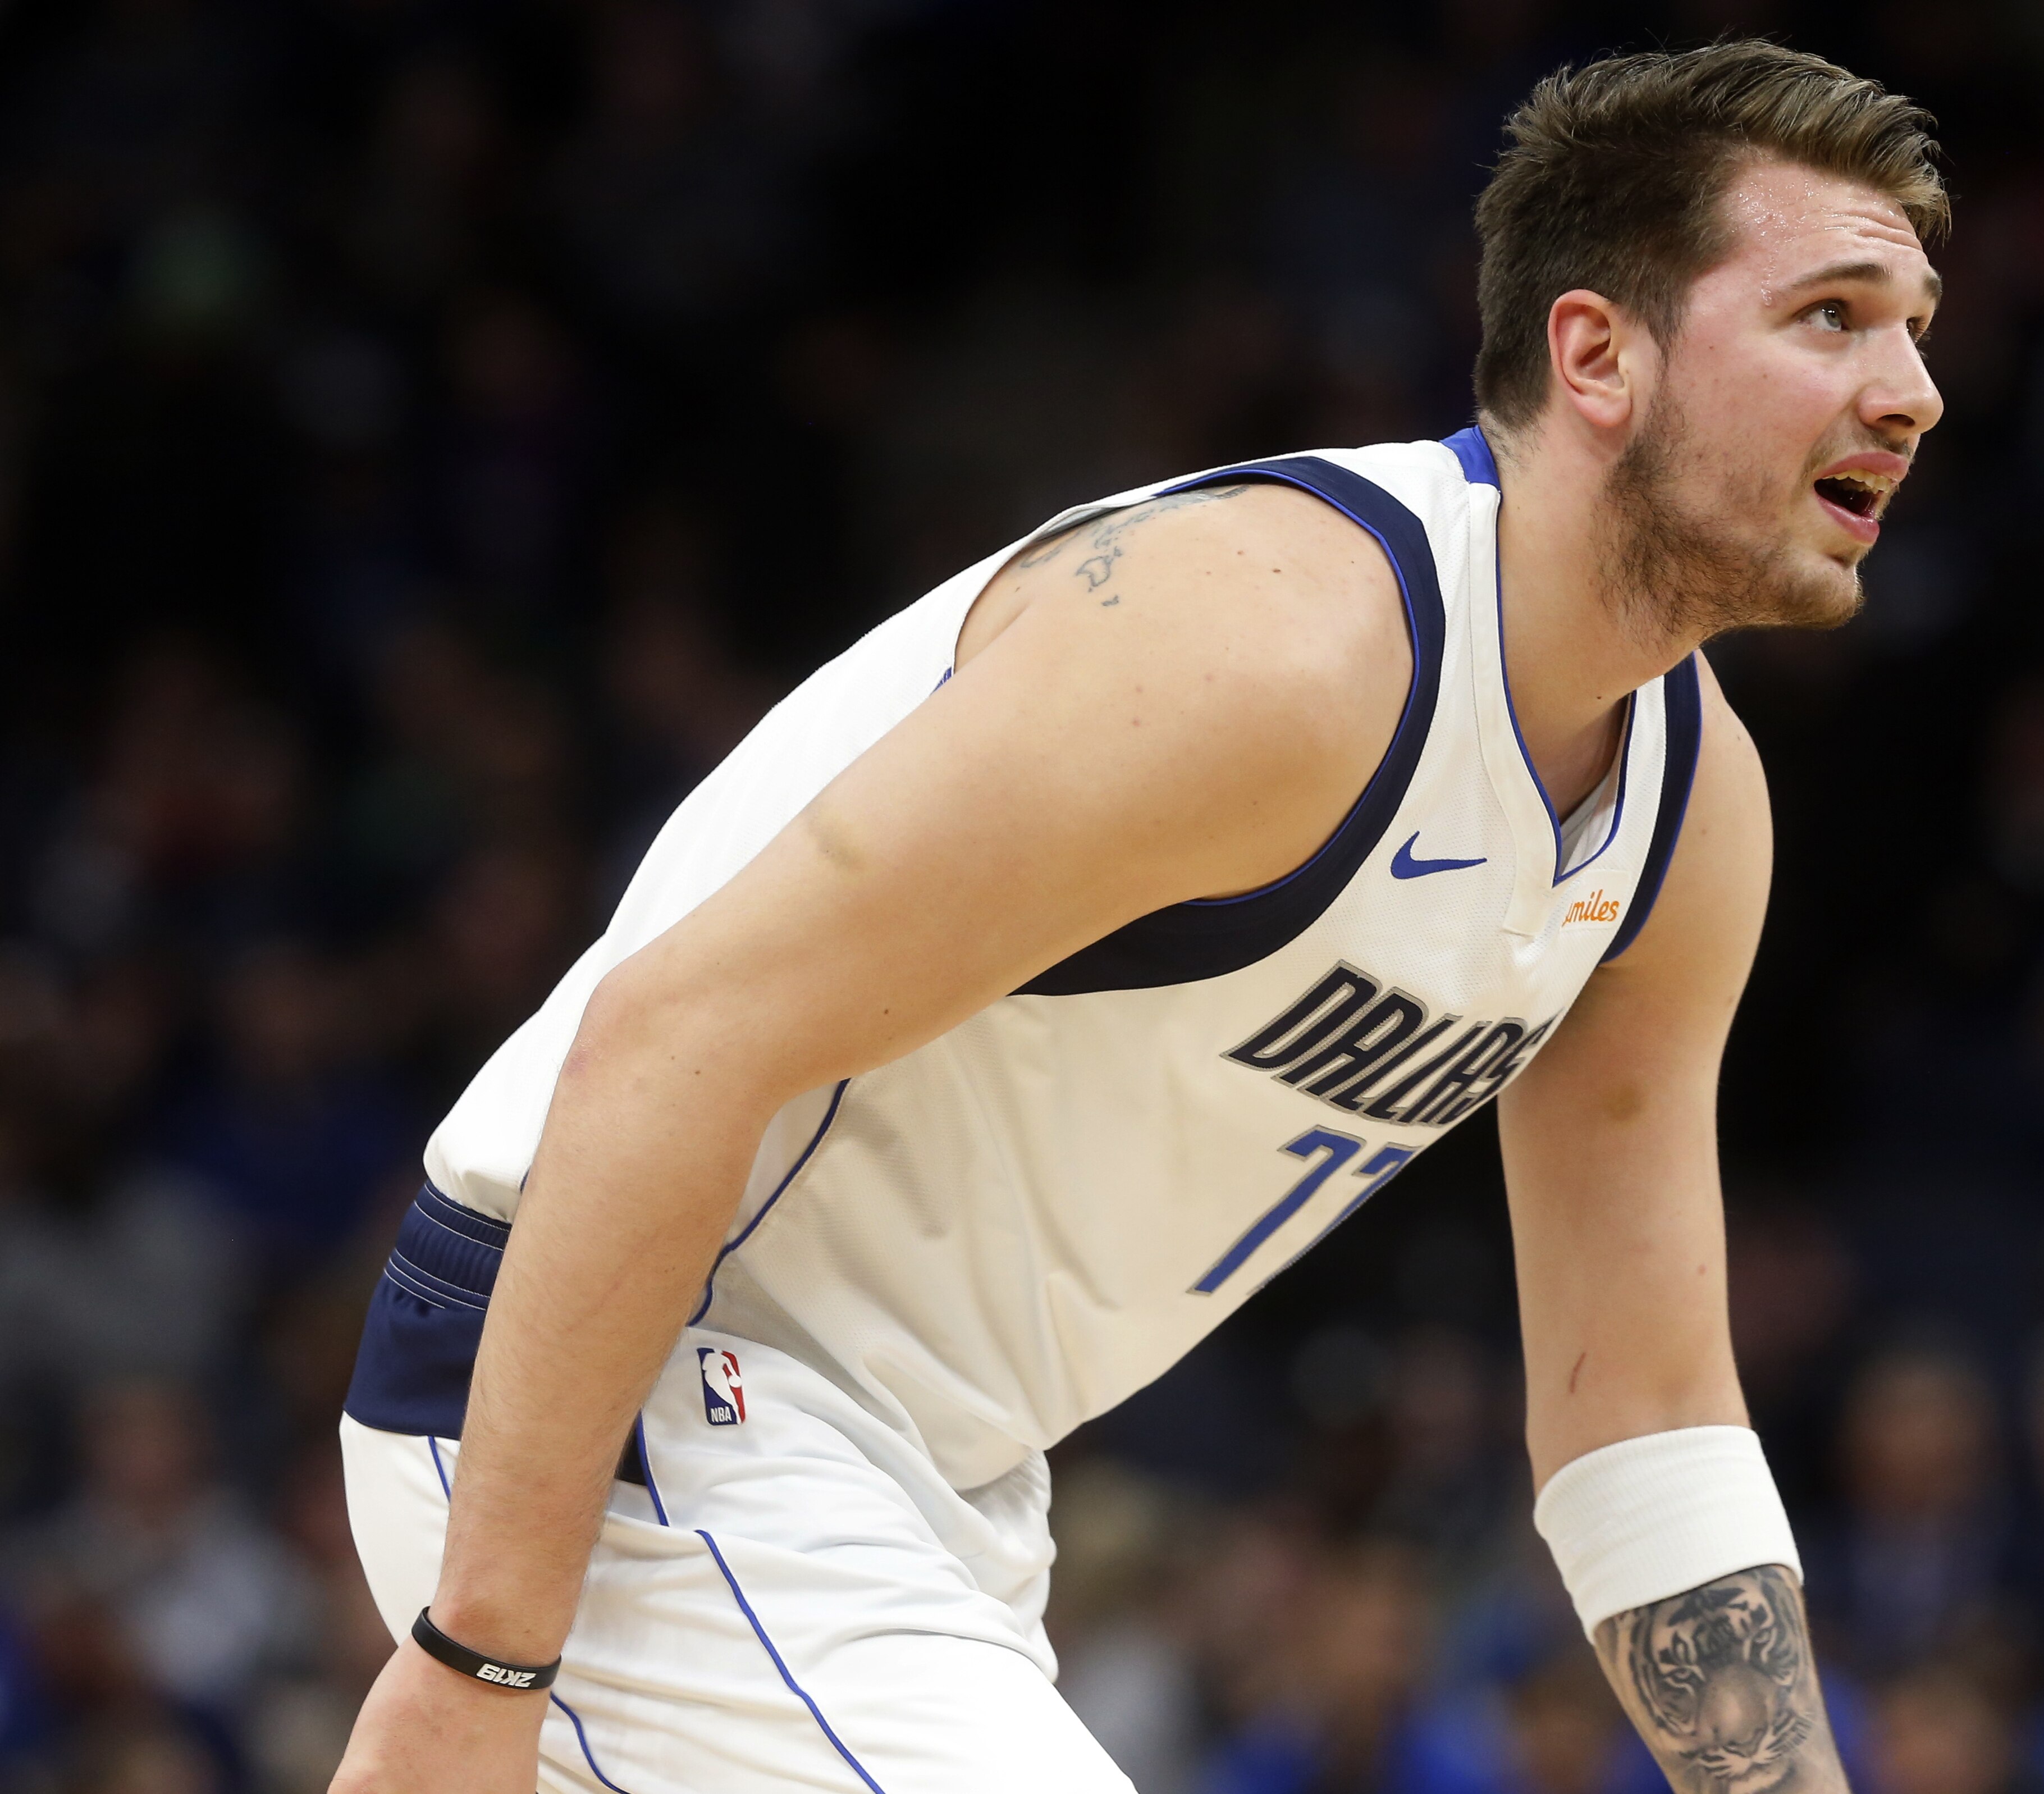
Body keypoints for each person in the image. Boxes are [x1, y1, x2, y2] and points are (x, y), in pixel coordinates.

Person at [328, 39, 1949, 1794]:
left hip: (929, 1482)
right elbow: (673, 1029)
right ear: (1596, 353)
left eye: (1918, 325)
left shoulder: (1688, 817)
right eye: (1832, 316)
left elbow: (1637, 1398)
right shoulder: (1270, 644)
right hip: (639, 1394)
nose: (1912, 387)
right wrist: (473, 1661)